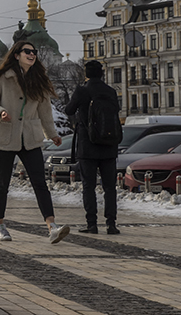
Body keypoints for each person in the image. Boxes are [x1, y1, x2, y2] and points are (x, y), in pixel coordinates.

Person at [0, 40, 70, 244]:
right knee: (2, 184)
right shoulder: (3, 79)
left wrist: (52, 134)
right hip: (5, 137)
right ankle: (0, 225)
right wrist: (0, 112)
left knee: (40, 182)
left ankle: (52, 227)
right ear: (16, 55)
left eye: (34, 52)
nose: (32, 54)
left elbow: (45, 113)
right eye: (27, 51)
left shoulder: (39, 81)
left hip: (30, 138)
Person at [64, 60, 121, 234]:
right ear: (102, 74)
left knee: (89, 185)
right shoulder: (110, 91)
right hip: (109, 145)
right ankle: (111, 224)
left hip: (88, 145)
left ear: (86, 74)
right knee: (109, 187)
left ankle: (92, 224)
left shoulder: (82, 90)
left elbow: (69, 110)